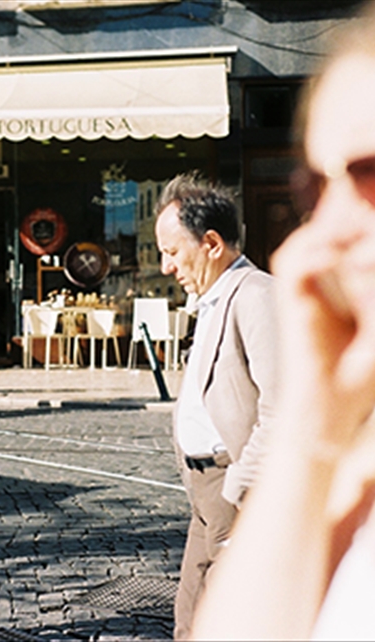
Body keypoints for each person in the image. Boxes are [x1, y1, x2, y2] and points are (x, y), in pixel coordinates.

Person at [191, 3, 375, 639]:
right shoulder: (373, 458)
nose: (325, 233)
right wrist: (315, 420)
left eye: (371, 172)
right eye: (318, 188)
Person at [153, 172, 279, 639]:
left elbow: (281, 410)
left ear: (210, 243)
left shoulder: (257, 295)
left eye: (171, 251)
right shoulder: (210, 298)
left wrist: (238, 491)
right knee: (190, 619)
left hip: (231, 489)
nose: (167, 266)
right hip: (204, 494)